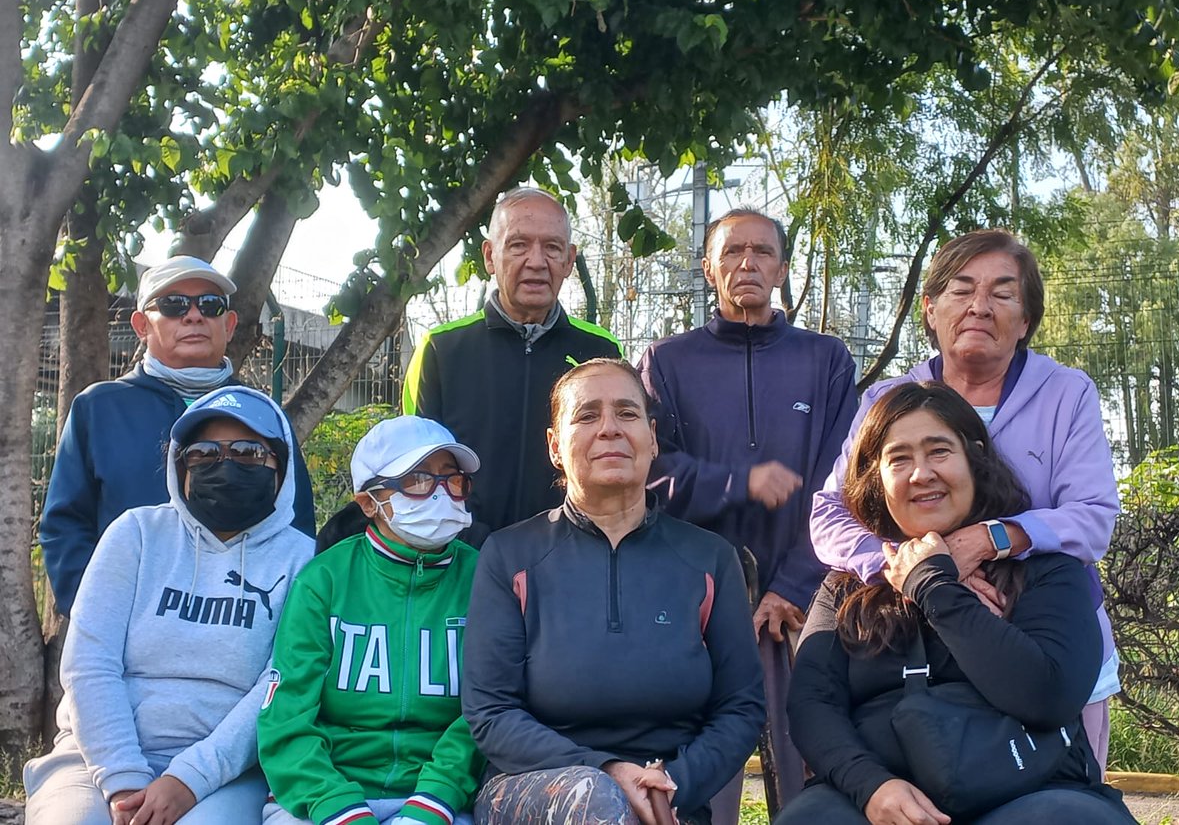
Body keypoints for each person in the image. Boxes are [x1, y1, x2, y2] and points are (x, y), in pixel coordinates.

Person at [809, 229, 1121, 768]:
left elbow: (1092, 518)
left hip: (1046, 637)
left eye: (1002, 294)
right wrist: (910, 569)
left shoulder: (1067, 393)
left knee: (1060, 787)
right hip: (911, 639)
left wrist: (989, 539)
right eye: (960, 290)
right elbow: (830, 511)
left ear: (1025, 321)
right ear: (929, 309)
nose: (979, 307)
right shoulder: (888, 401)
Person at [779, 381, 1134, 825]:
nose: (921, 473)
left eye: (939, 451)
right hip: (880, 795)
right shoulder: (847, 586)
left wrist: (933, 586)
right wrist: (871, 785)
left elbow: (1049, 695)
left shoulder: (1047, 569)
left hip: (1031, 788)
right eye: (899, 459)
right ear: (878, 480)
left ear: (975, 459)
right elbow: (812, 706)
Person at [462, 359, 765, 825]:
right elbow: (491, 711)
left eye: (626, 413)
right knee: (600, 800)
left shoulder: (709, 558)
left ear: (652, 436)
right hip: (534, 789)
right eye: (586, 416)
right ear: (555, 447)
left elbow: (741, 707)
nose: (609, 429)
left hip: (671, 797)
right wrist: (605, 770)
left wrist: (673, 785)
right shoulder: (508, 556)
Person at [636, 208, 858, 818]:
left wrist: (791, 584)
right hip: (697, 600)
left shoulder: (827, 360)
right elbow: (652, 470)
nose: (747, 264)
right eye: (731, 252)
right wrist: (738, 480)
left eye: (762, 252)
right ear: (708, 268)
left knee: (811, 766)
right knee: (703, 777)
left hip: (803, 602)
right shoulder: (666, 362)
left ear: (783, 268)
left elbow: (845, 483)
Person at [24, 386, 315, 825]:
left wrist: (188, 780)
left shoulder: (305, 562)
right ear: (179, 465)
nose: (226, 464)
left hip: (229, 772)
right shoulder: (135, 534)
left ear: (281, 466)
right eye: (203, 453)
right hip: (94, 759)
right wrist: (122, 778)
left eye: (248, 452)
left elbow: (278, 688)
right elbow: (89, 664)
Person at [40, 255, 316, 615]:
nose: (193, 315)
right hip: (123, 627)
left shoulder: (263, 415)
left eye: (210, 305)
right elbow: (66, 526)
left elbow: (296, 522)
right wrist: (97, 615)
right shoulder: (98, 408)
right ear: (141, 325)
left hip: (240, 627)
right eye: (173, 305)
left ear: (229, 325)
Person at [259, 416, 484, 825]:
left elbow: (486, 711)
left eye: (452, 479)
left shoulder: (484, 578)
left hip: (443, 801)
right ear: (368, 503)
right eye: (417, 480)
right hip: (321, 799)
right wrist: (340, 810)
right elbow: (286, 718)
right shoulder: (323, 581)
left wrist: (431, 807)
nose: (441, 495)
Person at [402, 187, 622, 545]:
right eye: (518, 245)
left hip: (571, 559)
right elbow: (417, 467)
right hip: (463, 562)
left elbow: (615, 465)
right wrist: (470, 543)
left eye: (552, 247)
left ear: (569, 260)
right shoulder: (440, 349)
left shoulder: (601, 352)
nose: (536, 261)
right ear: (490, 255)